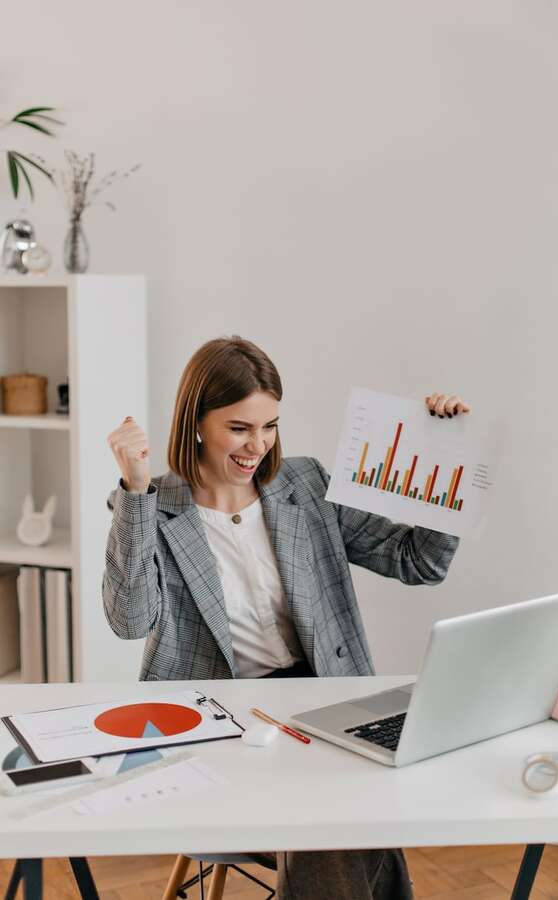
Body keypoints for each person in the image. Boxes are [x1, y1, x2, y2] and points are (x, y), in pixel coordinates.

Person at [103, 335, 471, 900]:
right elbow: (130, 621)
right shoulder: (152, 504)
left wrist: (444, 453)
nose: (258, 444)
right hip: (223, 723)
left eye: (270, 425)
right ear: (196, 422)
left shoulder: (306, 484)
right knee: (339, 816)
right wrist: (133, 487)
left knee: (346, 806)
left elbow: (416, 561)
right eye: (240, 428)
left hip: (324, 705)